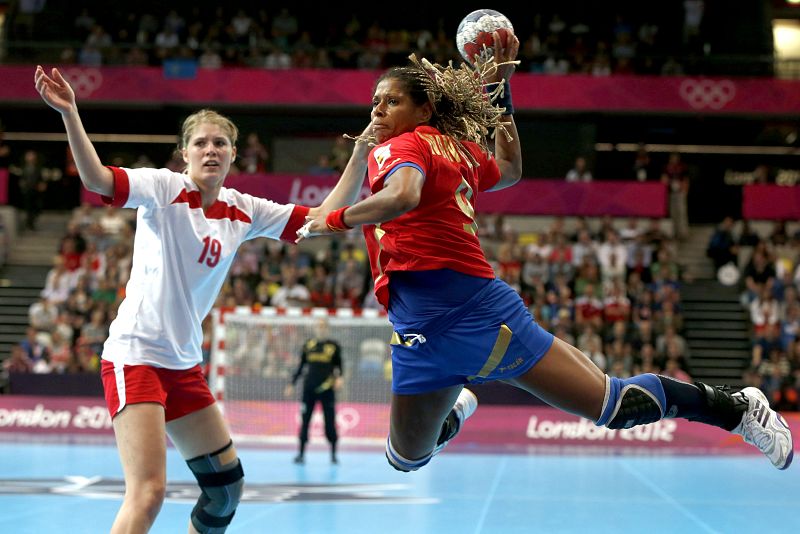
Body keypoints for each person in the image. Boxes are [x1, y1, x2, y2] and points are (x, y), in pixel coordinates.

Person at [297, 34, 793, 474]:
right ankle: (462, 402)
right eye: (374, 102)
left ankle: (738, 410)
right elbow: (509, 168)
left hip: (475, 317)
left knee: (614, 406)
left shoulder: (407, 146)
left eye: (390, 101)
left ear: (423, 111)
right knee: (405, 458)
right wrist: (498, 93)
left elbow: (394, 199)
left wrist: (338, 219)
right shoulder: (445, 149)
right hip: (420, 331)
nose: (377, 110)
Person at [34, 64, 366, 533]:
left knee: (225, 490)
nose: (211, 150)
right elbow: (96, 180)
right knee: (147, 493)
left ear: (234, 154)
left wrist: (362, 150)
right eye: (201, 143)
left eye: (221, 143)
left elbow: (324, 218)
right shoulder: (165, 188)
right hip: (137, 356)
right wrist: (70, 113)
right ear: (184, 154)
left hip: (183, 364)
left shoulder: (244, 208)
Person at [285, 318, 343, 464]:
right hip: (309, 389)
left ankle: (334, 455)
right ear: (315, 328)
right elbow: (301, 367)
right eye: (319, 326)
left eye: (323, 326)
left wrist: (339, 378)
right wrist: (292, 384)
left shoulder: (333, 346)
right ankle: (301, 454)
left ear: (327, 329)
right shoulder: (308, 345)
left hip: (327, 389)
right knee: (305, 421)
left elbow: (340, 366)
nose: (321, 329)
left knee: (330, 422)